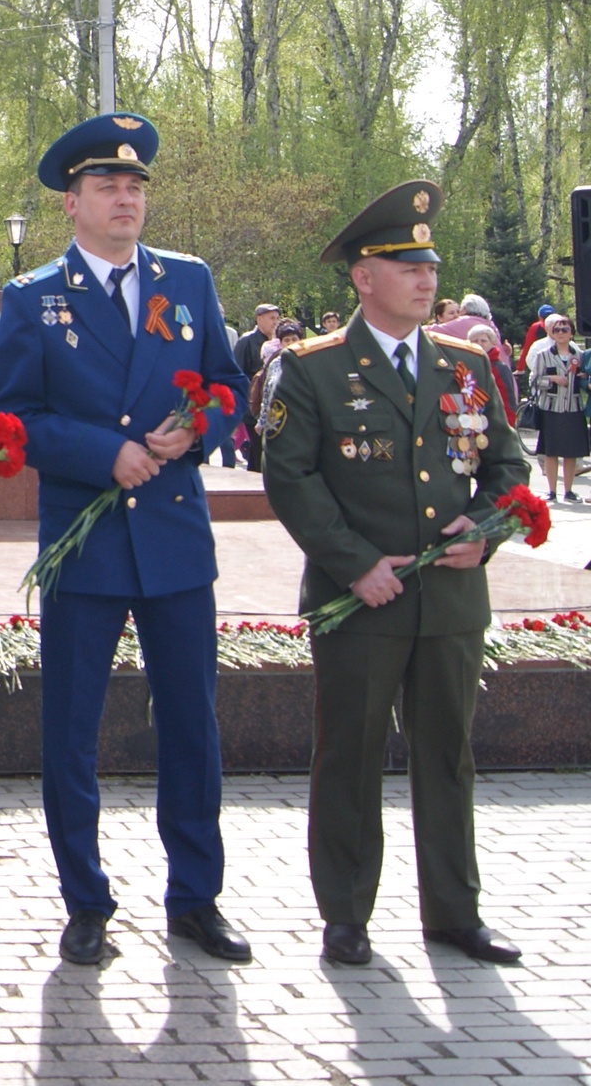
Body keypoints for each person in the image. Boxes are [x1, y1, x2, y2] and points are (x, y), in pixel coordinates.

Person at [0, 113, 252, 967]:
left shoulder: (189, 280)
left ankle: (196, 896)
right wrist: (107, 452)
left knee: (191, 726)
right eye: (108, 186)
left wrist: (195, 427)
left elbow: (228, 386)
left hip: (173, 541)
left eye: (135, 186)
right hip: (86, 546)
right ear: (73, 203)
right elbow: (8, 419)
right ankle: (86, 898)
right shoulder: (34, 297)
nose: (126, 198)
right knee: (72, 727)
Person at [260, 181, 529, 966]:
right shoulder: (313, 369)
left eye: (431, 264)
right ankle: (345, 913)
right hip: (361, 601)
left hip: (449, 598)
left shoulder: (467, 364)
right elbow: (291, 479)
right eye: (406, 264)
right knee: (350, 752)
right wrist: (354, 566)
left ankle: (454, 911)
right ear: (363, 276)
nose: (426, 278)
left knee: (448, 756)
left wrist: (486, 532)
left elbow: (507, 469)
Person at [527, 315, 586, 502]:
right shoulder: (543, 355)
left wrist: (583, 377)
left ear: (571, 334)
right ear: (551, 333)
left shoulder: (579, 356)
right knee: (551, 451)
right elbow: (534, 381)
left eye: (565, 329)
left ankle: (568, 490)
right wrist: (551, 379)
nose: (561, 333)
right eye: (557, 330)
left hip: (573, 407)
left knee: (571, 452)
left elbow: (584, 380)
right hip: (551, 408)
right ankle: (552, 491)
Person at [244, 320, 304, 474]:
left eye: (294, 339)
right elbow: (266, 395)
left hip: (302, 421)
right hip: (277, 421)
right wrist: (262, 421)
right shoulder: (275, 363)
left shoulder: (310, 362)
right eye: (287, 340)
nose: (290, 343)